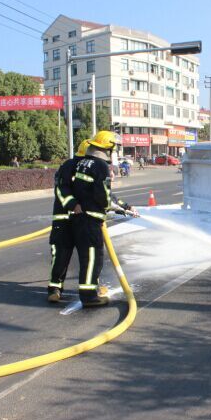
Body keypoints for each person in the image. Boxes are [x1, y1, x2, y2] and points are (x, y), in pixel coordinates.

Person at [70, 131, 138, 307]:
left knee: (87, 258)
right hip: (91, 220)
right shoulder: (100, 165)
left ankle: (89, 293)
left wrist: (124, 206)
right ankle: (89, 297)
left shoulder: (83, 163)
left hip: (80, 219)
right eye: (113, 149)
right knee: (94, 259)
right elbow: (103, 195)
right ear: (107, 147)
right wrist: (113, 207)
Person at [47, 139, 91, 303]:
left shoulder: (91, 167)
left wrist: (124, 206)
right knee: (61, 255)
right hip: (64, 220)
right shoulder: (68, 166)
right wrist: (73, 205)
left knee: (89, 256)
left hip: (83, 221)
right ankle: (55, 288)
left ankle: (90, 287)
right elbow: (61, 189)